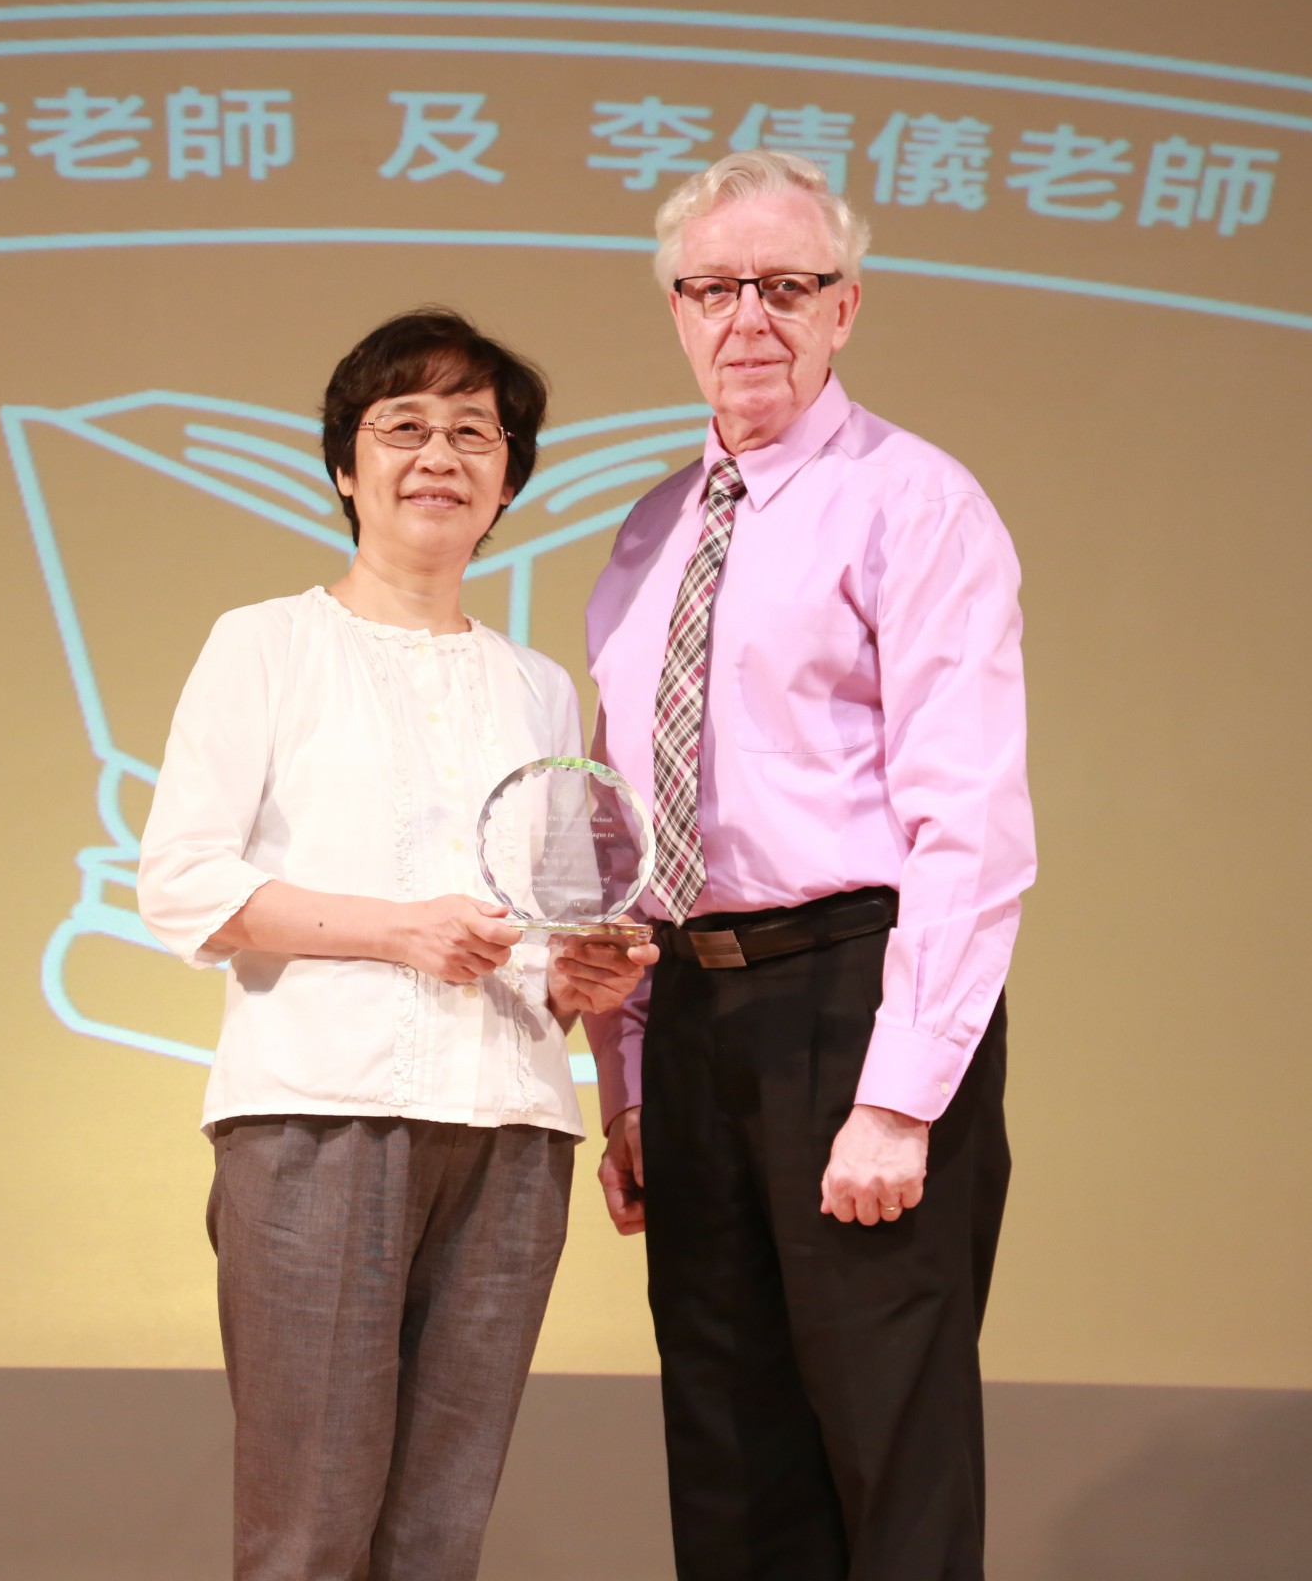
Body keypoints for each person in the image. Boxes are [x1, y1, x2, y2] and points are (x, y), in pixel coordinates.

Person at [135, 307, 657, 1581]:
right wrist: (397, 931)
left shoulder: (537, 685)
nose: (440, 455)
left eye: (475, 433)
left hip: (512, 1128)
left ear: (509, 481)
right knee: (309, 1531)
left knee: (438, 1535)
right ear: (343, 465)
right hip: (319, 1114)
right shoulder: (265, 643)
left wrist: (572, 969)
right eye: (404, 426)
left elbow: (537, 921)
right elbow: (184, 884)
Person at [582, 151, 1036, 1580]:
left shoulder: (917, 501)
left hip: (857, 996)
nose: (749, 318)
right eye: (714, 288)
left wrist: (900, 1098)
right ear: (675, 310)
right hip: (694, 1015)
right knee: (726, 1446)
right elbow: (623, 835)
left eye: (785, 285)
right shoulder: (647, 533)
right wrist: (630, 1079)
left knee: (888, 1443)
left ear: (846, 306)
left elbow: (969, 824)